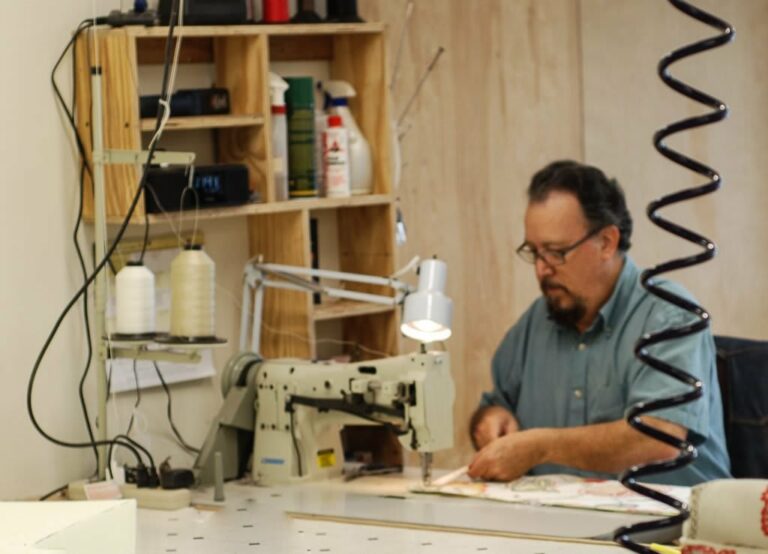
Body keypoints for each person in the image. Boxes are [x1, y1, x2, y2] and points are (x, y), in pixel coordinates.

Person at [467, 160, 731, 486]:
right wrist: (491, 421)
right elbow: (496, 405)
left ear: (606, 242)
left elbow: (659, 438)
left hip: (664, 528)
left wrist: (541, 447)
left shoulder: (670, 316)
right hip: (557, 526)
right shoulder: (537, 321)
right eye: (534, 252)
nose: (541, 270)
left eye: (556, 252)